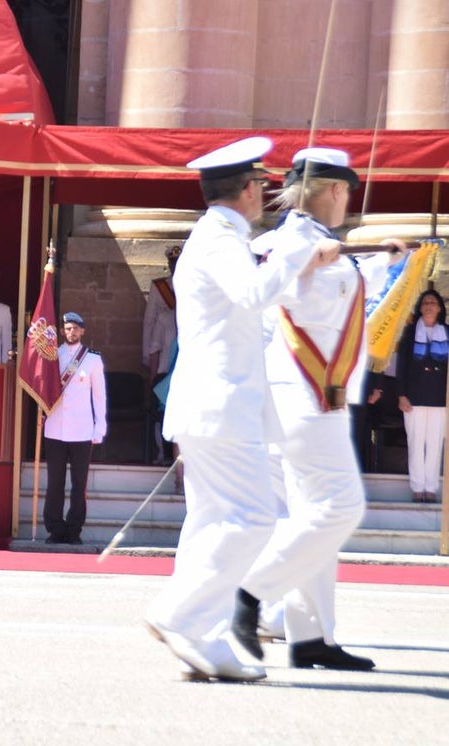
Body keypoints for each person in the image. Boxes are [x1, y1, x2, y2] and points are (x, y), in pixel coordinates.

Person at [145, 136, 338, 682]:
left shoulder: (219, 238)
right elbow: (254, 293)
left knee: (212, 522)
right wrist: (297, 250)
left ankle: (204, 637)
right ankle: (180, 615)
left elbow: (254, 292)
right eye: (262, 185)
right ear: (249, 190)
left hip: (215, 404)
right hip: (222, 404)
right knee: (255, 518)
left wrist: (296, 258)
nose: (266, 193)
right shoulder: (220, 239)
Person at [232, 147, 402, 672]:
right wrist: (359, 263)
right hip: (305, 394)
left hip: (311, 396)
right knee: (341, 507)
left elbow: (339, 290)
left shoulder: (314, 246)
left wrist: (382, 261)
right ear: (334, 190)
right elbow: (316, 291)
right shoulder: (296, 244)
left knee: (315, 519)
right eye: (346, 191)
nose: (348, 200)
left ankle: (311, 637)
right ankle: (249, 594)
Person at [42, 312, 106, 545]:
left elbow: (99, 396)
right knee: (55, 483)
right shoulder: (52, 356)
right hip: (55, 428)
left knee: (79, 484)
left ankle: (74, 529)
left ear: (83, 331)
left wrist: (100, 428)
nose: (72, 332)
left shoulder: (92, 360)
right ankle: (55, 529)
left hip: (81, 430)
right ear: (62, 331)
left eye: (76, 328)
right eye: (68, 328)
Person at [395, 289, 449, 503]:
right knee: (416, 442)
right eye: (425, 302)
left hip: (440, 398)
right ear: (420, 307)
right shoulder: (409, 333)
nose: (429, 305)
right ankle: (417, 488)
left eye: (433, 302)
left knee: (435, 444)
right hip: (413, 397)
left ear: (439, 308)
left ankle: (431, 488)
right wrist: (401, 395)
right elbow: (401, 367)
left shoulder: (447, 331)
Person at [143, 245, 179, 464]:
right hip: (165, 366)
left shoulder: (194, 285)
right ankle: (162, 454)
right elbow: (149, 321)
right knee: (162, 414)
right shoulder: (160, 287)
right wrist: (147, 361)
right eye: (172, 263)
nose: (174, 266)